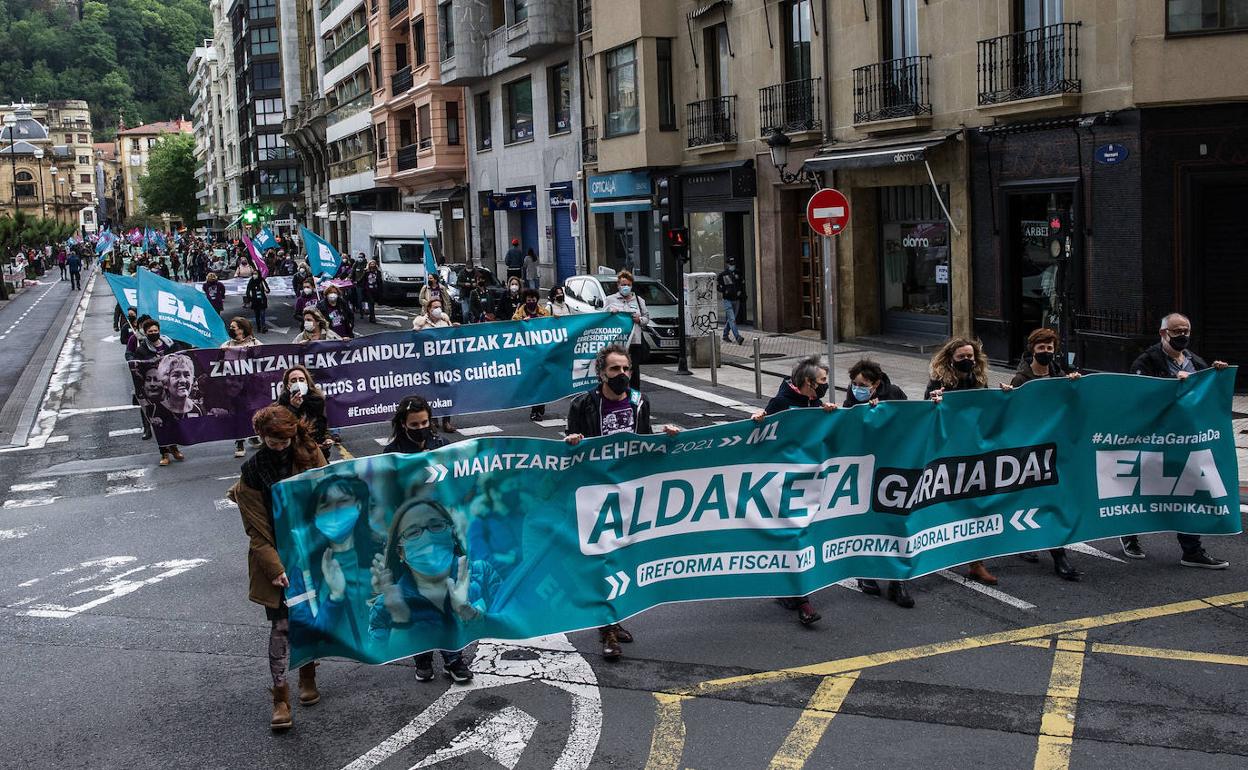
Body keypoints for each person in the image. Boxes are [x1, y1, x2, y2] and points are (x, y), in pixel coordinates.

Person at [565, 344, 680, 658]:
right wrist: (573, 441)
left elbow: (644, 444)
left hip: (629, 494)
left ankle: (615, 620)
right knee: (602, 561)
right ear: (601, 373)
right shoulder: (583, 404)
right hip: (595, 493)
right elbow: (567, 452)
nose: (622, 375)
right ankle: (607, 631)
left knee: (623, 560)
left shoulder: (640, 402)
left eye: (626, 369)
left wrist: (666, 439)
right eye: (615, 369)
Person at [228, 404, 328, 731]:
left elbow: (328, 494)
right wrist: (274, 567)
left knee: (309, 619)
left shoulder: (310, 453)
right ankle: (280, 698)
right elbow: (256, 530)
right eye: (273, 440)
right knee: (282, 626)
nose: (281, 445)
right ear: (262, 437)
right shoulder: (253, 472)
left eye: (285, 439)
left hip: (310, 552)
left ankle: (308, 678)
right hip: (276, 557)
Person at [375, 396, 475, 683]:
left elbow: (456, 482)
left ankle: (453, 658)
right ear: (402, 425)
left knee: (446, 594)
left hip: (441, 532)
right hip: (412, 537)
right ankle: (422, 657)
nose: (421, 428)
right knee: (418, 596)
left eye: (425, 422)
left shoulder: (441, 445)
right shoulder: (391, 454)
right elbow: (386, 497)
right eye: (414, 424)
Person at [1120, 313, 1231, 568]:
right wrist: (1172, 384)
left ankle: (1191, 550)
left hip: (1187, 441)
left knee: (1190, 490)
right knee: (1144, 487)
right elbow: (1138, 395)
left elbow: (1207, 394)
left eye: (1186, 331)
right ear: (1163, 333)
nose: (1182, 336)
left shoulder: (1196, 361)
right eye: (1177, 331)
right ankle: (1129, 533)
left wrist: (1217, 374)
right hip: (1154, 439)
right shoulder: (1146, 361)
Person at [369, 498, 499, 680]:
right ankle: (422, 660)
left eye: (436, 526)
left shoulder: (482, 575)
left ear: (451, 535)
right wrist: (400, 621)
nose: (427, 538)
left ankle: (453, 659)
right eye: (413, 532)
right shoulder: (390, 600)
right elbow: (378, 650)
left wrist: (470, 614)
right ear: (400, 552)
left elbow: (515, 620)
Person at [752, 355, 838, 626]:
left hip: (809, 482)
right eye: (823, 380)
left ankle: (791, 591)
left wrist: (830, 417)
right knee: (794, 536)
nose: (826, 384)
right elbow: (764, 436)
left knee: (801, 536)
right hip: (783, 482)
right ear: (808, 382)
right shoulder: (781, 403)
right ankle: (803, 601)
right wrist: (757, 421)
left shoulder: (816, 403)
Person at [925, 337, 1000, 585]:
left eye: (971, 356)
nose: (967, 361)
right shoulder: (938, 382)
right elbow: (927, 413)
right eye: (962, 357)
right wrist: (934, 401)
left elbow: (988, 410)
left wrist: (1005, 397)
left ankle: (976, 563)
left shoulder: (979, 381)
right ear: (950, 360)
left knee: (976, 506)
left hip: (974, 451)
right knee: (946, 505)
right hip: (948, 453)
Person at [842, 359, 914, 607]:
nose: (856, 388)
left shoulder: (893, 394)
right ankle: (867, 573)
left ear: (876, 384)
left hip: (893, 466)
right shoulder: (852, 397)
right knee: (866, 520)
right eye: (853, 383)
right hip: (865, 467)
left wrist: (883, 411)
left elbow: (912, 419)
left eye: (862, 384)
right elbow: (847, 425)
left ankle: (898, 581)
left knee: (894, 520)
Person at [127, 319, 186, 465]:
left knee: (173, 421)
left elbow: (181, 357)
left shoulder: (170, 344)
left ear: (159, 330)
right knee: (159, 423)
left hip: (170, 391)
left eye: (155, 331)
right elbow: (137, 367)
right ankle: (164, 453)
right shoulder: (142, 350)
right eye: (150, 332)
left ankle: (174, 447)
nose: (153, 333)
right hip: (154, 394)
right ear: (145, 333)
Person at [223, 317, 263, 458]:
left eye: (233, 327)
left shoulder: (255, 343)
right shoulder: (227, 344)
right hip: (235, 387)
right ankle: (239, 442)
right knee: (238, 413)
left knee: (252, 412)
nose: (231, 329)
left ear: (241, 329)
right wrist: (222, 352)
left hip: (251, 385)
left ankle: (253, 436)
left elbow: (264, 357)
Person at [604, 271, 649, 392]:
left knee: (633, 370)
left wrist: (639, 319)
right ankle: (617, 392)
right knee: (617, 369)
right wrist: (610, 313)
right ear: (618, 285)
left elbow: (646, 318)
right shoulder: (610, 300)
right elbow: (603, 318)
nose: (626, 287)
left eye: (628, 284)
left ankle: (634, 395)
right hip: (618, 343)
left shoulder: (639, 301)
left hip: (634, 341)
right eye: (623, 284)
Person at [276, 365, 332, 457]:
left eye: (301, 380)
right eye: (293, 381)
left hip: (317, 450)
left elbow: (322, 422)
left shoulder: (317, 400)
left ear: (307, 382)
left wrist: (326, 439)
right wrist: (293, 407)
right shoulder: (282, 403)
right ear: (287, 385)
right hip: (294, 452)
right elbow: (283, 428)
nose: (298, 383)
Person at [513, 289, 551, 420]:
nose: (531, 302)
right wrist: (523, 322)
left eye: (533, 300)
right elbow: (513, 325)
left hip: (542, 352)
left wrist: (556, 319)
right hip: (528, 354)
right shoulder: (519, 313)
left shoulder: (544, 312)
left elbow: (551, 326)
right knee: (533, 382)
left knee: (542, 381)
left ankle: (540, 407)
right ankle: (535, 409)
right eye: (528, 300)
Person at [716, 257, 746, 345]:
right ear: (727, 264)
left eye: (733, 264)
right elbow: (718, 286)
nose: (732, 265)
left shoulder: (738, 273)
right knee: (732, 319)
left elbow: (742, 284)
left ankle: (725, 335)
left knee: (731, 319)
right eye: (731, 264)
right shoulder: (723, 275)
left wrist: (741, 293)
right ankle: (738, 337)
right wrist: (723, 290)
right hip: (727, 300)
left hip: (736, 300)